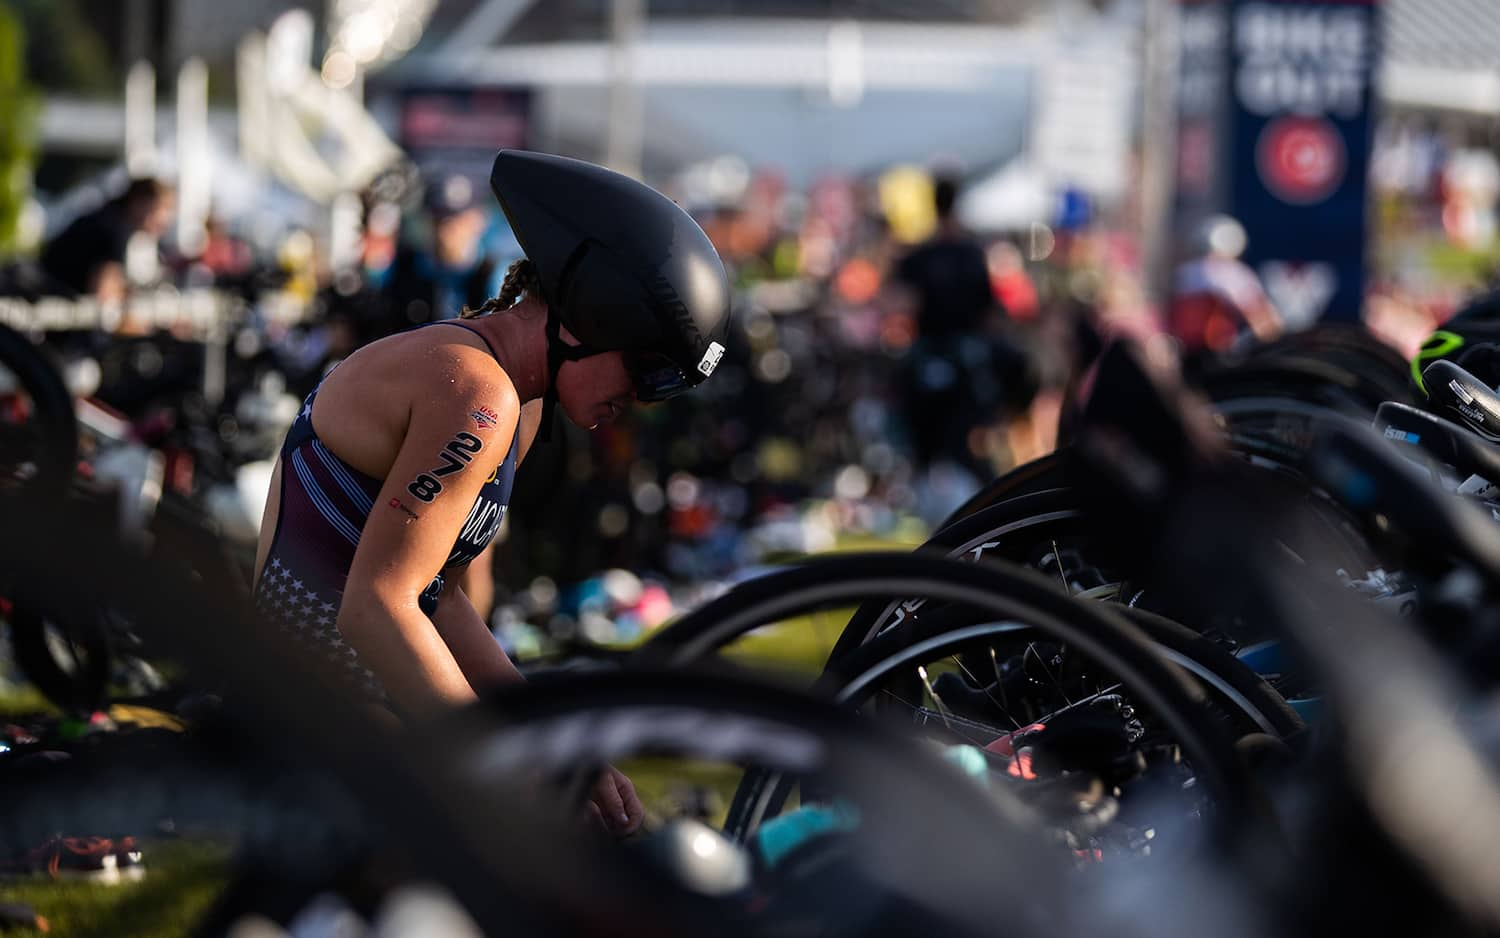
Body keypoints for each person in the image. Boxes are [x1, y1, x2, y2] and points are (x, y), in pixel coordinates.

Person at [251, 151, 732, 836]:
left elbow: (436, 596)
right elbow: (377, 605)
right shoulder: (479, 397)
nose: (643, 400)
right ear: (590, 319)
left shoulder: (517, 399)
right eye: (651, 372)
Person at [39, 177, 175, 302]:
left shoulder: (111, 217)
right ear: (138, 203)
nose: (164, 220)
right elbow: (103, 292)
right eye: (160, 209)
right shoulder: (114, 228)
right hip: (52, 302)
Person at [1169, 214, 1282, 358]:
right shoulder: (1233, 273)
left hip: (1184, 351)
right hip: (1221, 351)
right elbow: (1263, 320)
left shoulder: (1183, 272)